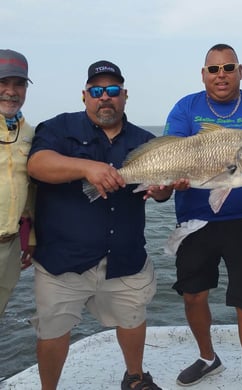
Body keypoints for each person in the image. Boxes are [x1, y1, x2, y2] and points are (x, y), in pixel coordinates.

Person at [27, 60, 172, 390]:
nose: (104, 97)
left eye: (112, 91)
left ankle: (135, 378)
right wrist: (87, 168)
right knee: (52, 330)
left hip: (125, 257)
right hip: (63, 260)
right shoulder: (57, 128)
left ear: (124, 95)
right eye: (97, 91)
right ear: (84, 96)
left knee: (133, 318)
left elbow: (160, 192)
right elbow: (38, 165)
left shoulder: (146, 141)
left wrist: (162, 189)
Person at [164, 43, 242, 390]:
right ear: (204, 74)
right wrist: (167, 180)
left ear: (239, 70)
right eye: (214, 69)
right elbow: (169, 152)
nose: (221, 75)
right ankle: (209, 358)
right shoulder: (185, 108)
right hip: (193, 219)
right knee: (193, 295)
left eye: (228, 67)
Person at [0, 49, 35, 316]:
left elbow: (29, 191)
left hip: (10, 248)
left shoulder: (30, 134)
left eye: (19, 84)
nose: (11, 91)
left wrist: (30, 238)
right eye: (2, 82)